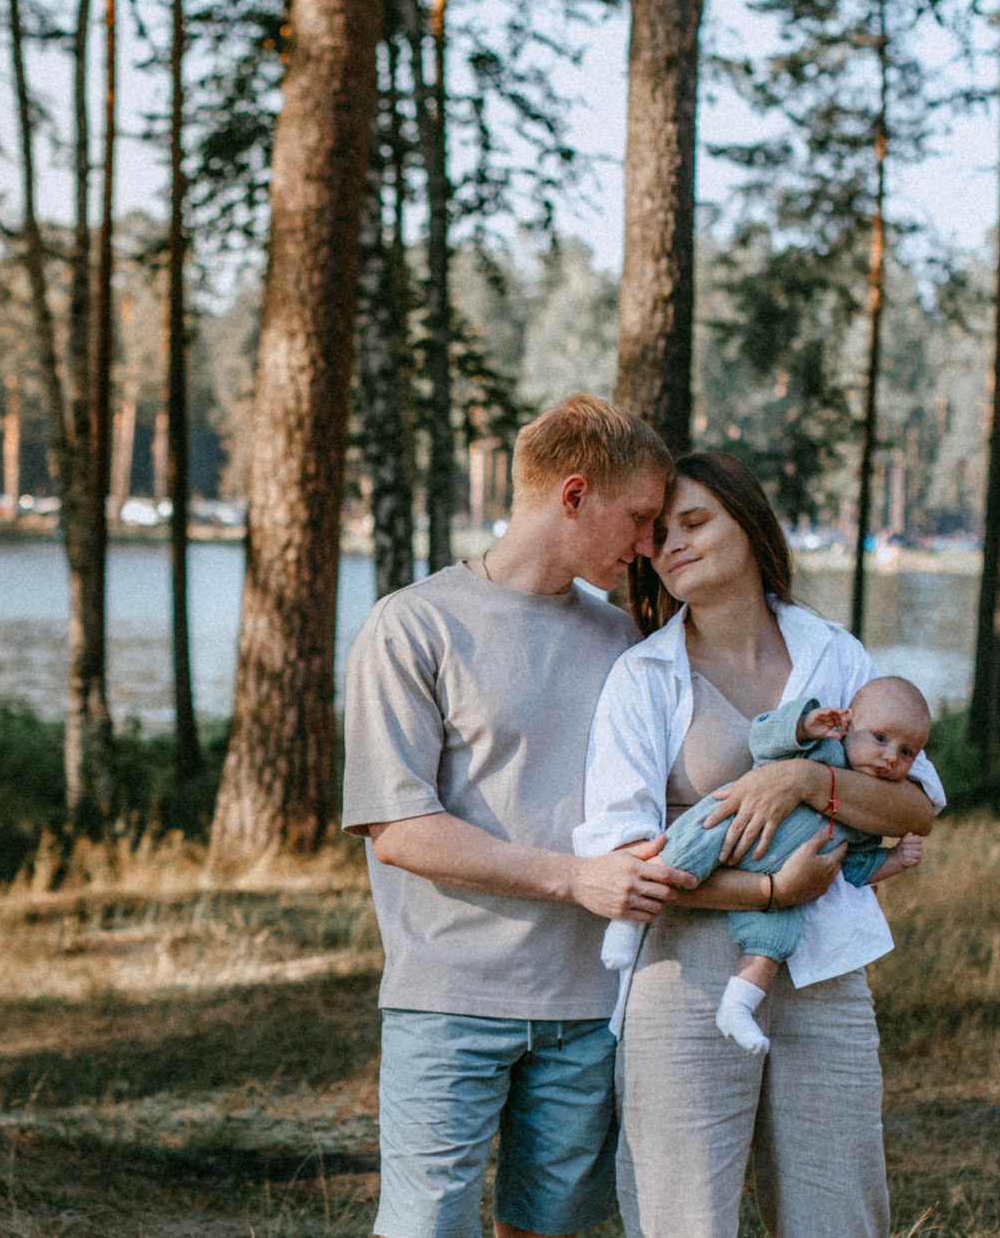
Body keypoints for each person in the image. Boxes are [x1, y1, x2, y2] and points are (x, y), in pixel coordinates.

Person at [342, 395, 844, 1238]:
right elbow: (397, 828)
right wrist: (578, 877)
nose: (652, 548)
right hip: (450, 996)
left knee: (549, 1230)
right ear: (573, 496)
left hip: (591, 1006)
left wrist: (849, 824)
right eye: (642, 518)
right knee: (427, 1226)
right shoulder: (414, 624)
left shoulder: (629, 643)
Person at [575, 450, 946, 1238]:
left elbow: (916, 805)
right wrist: (775, 893)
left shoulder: (834, 656)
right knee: (685, 1219)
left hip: (825, 968)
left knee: (837, 1207)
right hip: (682, 969)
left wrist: (809, 785)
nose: (671, 543)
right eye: (660, 531)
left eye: (696, 521)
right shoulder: (643, 677)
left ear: (749, 523)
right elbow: (624, 862)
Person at [596, 676, 931, 1055]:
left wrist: (895, 860)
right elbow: (762, 738)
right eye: (881, 739)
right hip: (728, 828)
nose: (891, 757)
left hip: (779, 888)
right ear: (847, 723)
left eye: (908, 753)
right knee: (682, 855)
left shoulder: (863, 817)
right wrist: (802, 726)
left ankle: (737, 1007)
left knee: (773, 944)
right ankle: (628, 920)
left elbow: (855, 870)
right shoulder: (820, 749)